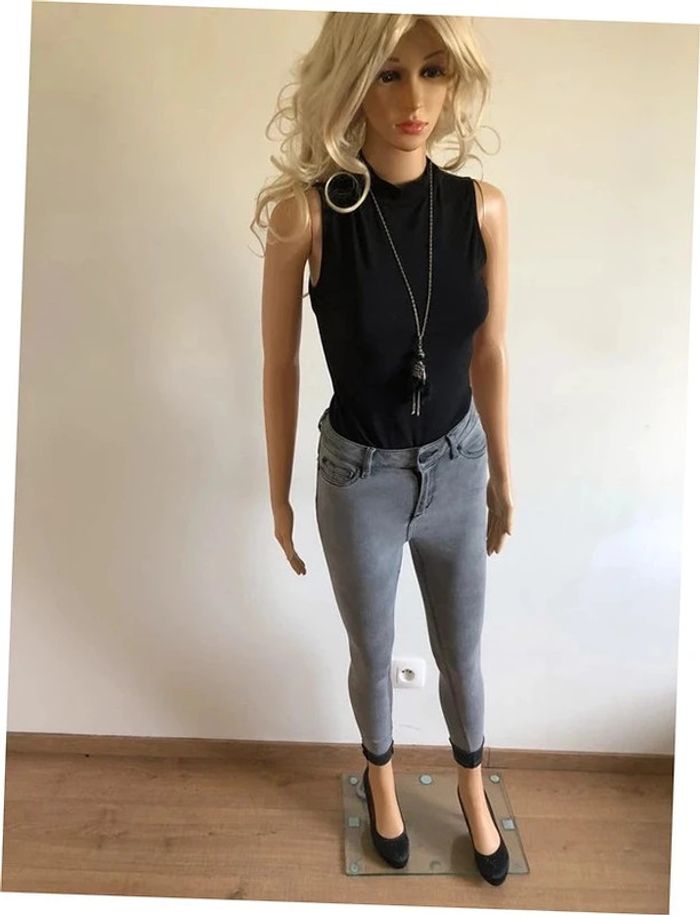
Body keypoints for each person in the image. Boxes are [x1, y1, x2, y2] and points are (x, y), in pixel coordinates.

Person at [254, 12, 513, 885]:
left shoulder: (482, 208)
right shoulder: (308, 214)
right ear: (351, 80)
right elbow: (280, 362)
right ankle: (381, 777)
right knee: (373, 648)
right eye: (389, 73)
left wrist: (503, 474)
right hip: (358, 474)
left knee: (462, 650)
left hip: (459, 462)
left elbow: (490, 352)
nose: (415, 99)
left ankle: (473, 784)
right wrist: (279, 496)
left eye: (434, 72)